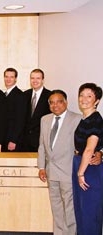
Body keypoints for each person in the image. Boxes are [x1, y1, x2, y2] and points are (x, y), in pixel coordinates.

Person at [37, 90, 81, 235]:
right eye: (52, 102)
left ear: (65, 102)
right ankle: (59, 232)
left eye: (59, 101)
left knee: (69, 207)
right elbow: (42, 145)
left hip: (68, 171)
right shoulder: (45, 119)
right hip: (50, 171)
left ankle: (71, 233)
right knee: (55, 206)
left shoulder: (77, 119)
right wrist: (41, 167)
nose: (55, 105)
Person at [73, 83, 103, 235]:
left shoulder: (95, 119)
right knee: (81, 211)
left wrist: (80, 173)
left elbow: (90, 149)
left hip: (88, 169)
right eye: (81, 95)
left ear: (96, 100)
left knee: (90, 212)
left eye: (89, 96)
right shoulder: (85, 118)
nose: (84, 99)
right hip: (81, 164)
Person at [22, 69, 51, 152]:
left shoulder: (49, 95)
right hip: (24, 142)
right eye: (32, 78)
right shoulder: (24, 95)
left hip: (41, 141)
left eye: (38, 78)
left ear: (43, 80)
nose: (35, 81)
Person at [2, 68, 26, 152]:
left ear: (15, 79)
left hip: (12, 141)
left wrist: (13, 140)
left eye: (11, 77)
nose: (8, 79)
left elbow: (20, 120)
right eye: (6, 76)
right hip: (4, 138)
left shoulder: (20, 95)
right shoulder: (4, 95)